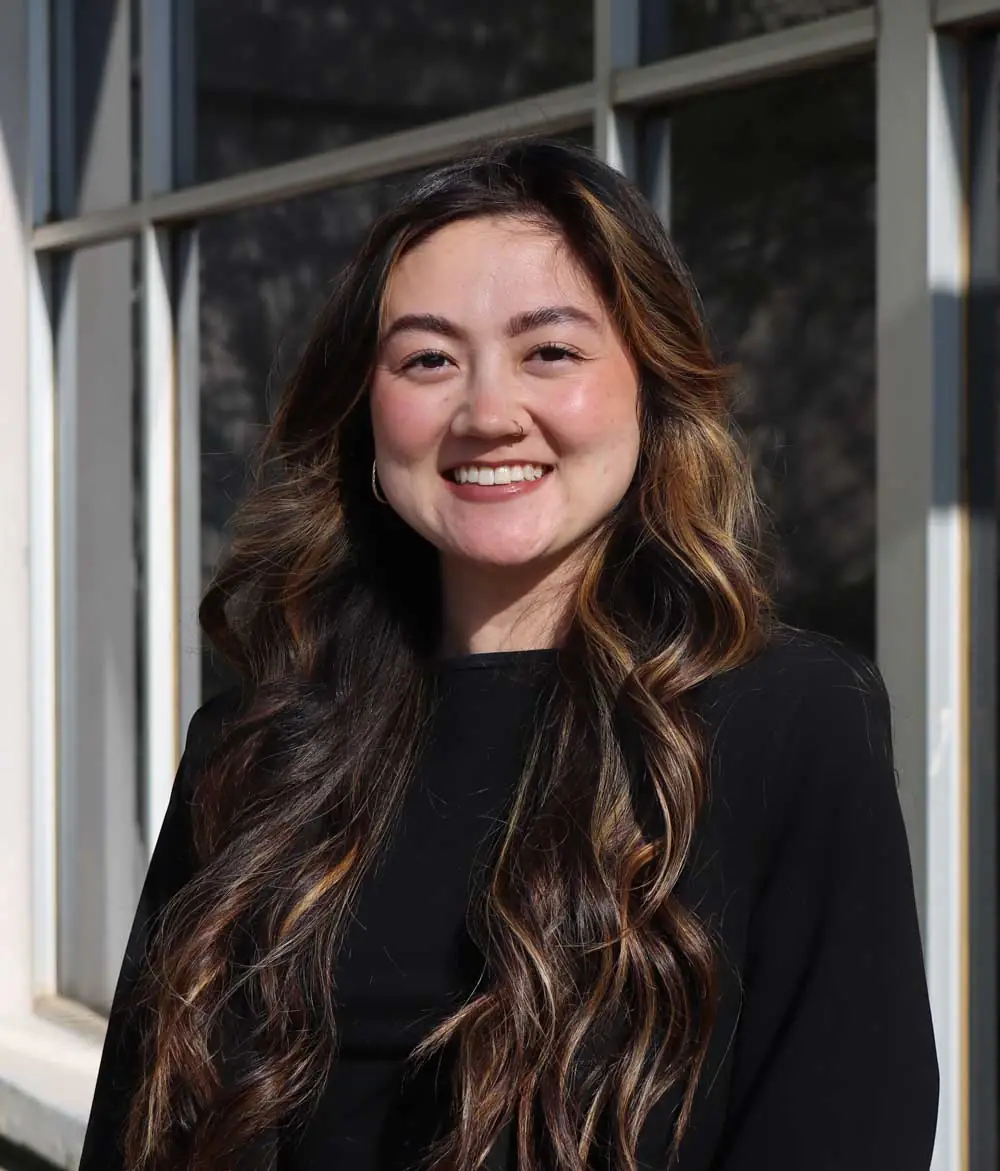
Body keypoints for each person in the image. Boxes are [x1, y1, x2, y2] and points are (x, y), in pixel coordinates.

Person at [78, 138, 938, 1171]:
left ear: (650, 384)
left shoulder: (789, 721)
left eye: (551, 352)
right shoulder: (252, 747)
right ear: (365, 411)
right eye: (428, 359)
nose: (487, 415)